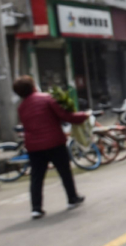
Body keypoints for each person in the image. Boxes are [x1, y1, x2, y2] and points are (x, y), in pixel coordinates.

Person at [13, 75, 87, 219]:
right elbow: (65, 115)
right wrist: (83, 116)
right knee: (64, 171)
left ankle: (36, 208)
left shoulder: (21, 108)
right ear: (33, 86)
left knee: (36, 177)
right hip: (54, 142)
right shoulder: (47, 99)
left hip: (34, 146)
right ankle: (72, 198)